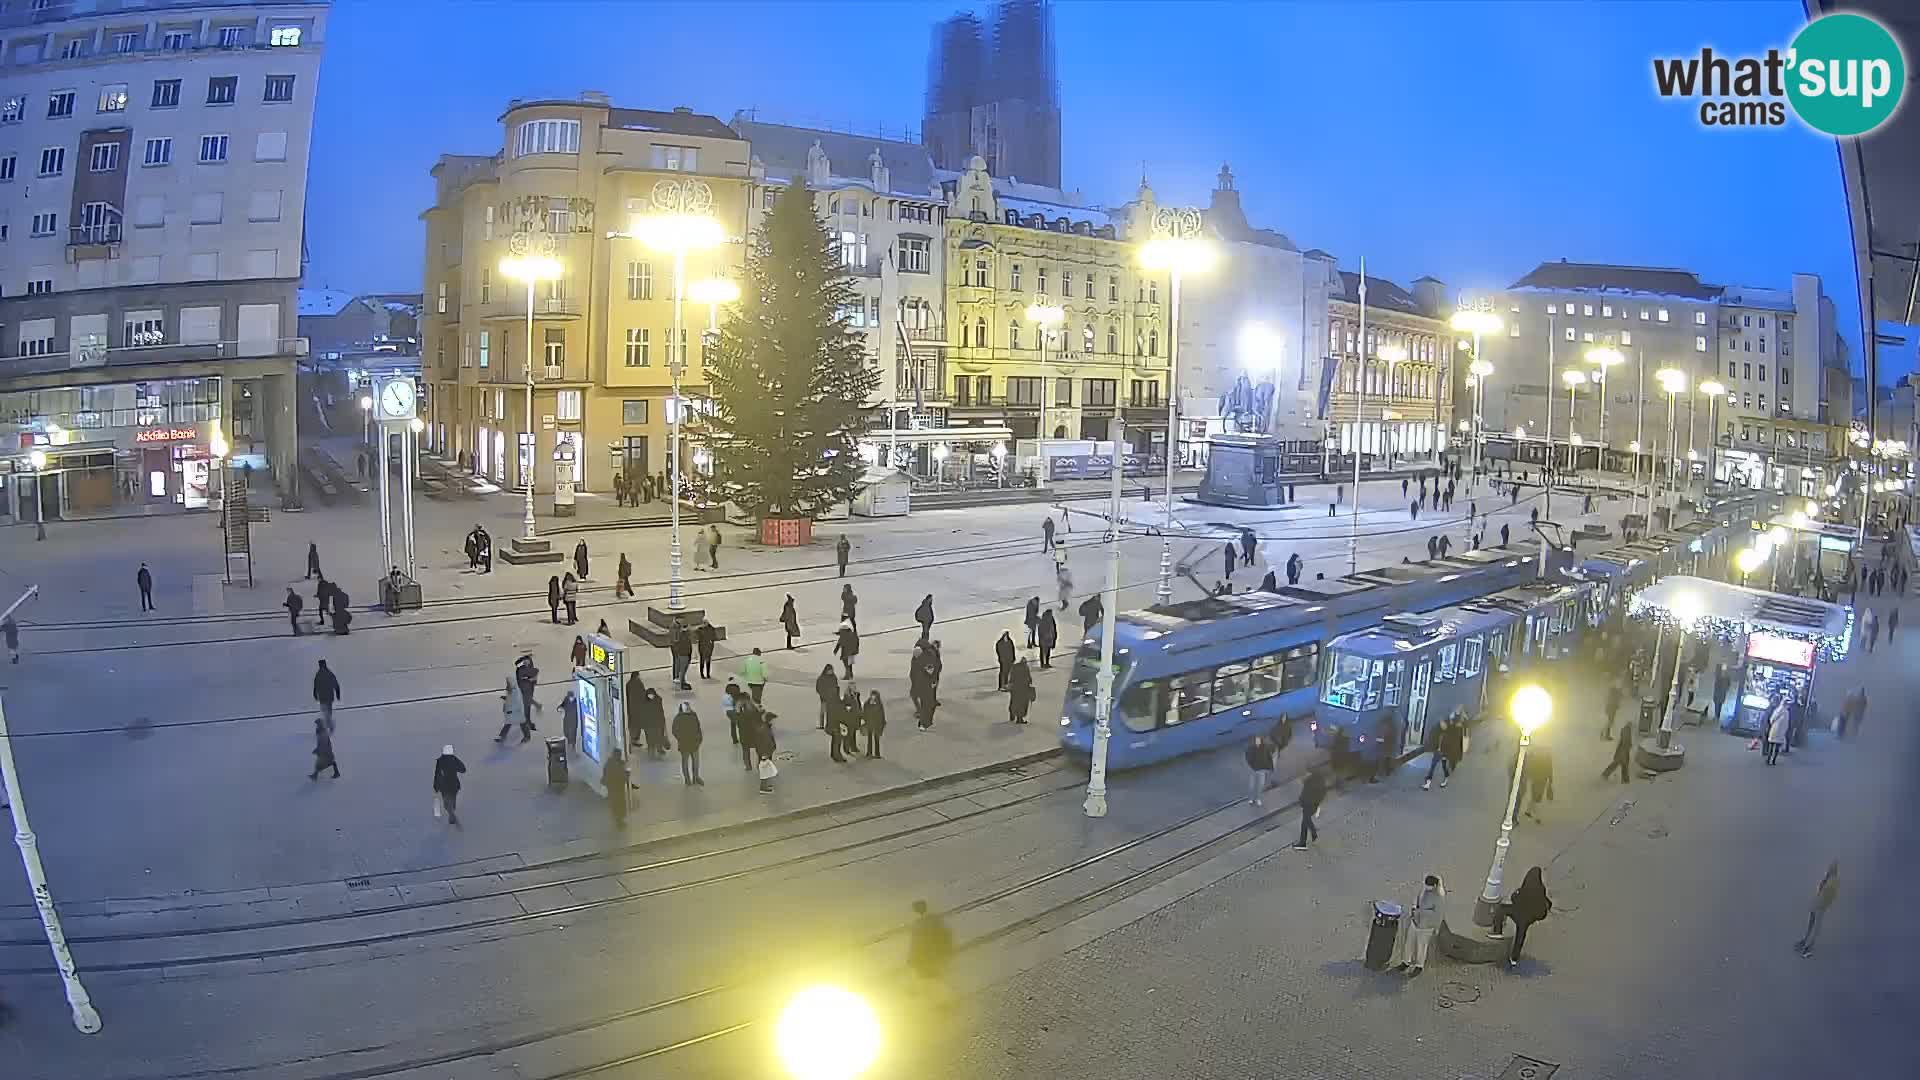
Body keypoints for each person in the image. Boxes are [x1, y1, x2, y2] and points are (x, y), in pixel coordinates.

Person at [1496, 866, 1552, 968]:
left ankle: (1497, 931)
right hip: (1527, 919)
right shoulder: (1541, 889)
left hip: (1517, 913)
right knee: (1520, 936)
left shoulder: (1525, 888)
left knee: (1501, 909)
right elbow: (1545, 900)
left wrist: (1516, 893)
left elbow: (1514, 899)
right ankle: (1514, 958)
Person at [1394, 875, 1444, 976]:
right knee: (1409, 942)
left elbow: (1437, 914)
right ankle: (1405, 962)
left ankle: (1419, 966)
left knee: (1421, 946)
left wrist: (1421, 911)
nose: (1426, 887)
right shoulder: (1423, 891)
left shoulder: (1438, 897)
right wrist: (1414, 909)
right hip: (1415, 921)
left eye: (1428, 885)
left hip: (1426, 926)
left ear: (1434, 885)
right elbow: (1416, 900)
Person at [906, 899, 953, 990]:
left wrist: (912, 957)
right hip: (932, 955)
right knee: (934, 978)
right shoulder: (930, 920)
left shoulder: (920, 923)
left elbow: (916, 942)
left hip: (928, 956)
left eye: (916, 908)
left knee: (931, 979)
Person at [1796, 861, 1839, 956]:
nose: (1829, 870)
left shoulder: (1834, 881)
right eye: (1830, 868)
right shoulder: (1828, 879)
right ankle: (1805, 941)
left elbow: (1831, 895)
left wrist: (1824, 903)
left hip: (1821, 904)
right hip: (1817, 902)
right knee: (1812, 921)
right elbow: (1820, 888)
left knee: (1816, 925)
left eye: (1831, 869)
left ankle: (1810, 946)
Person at [432, 745, 466, 827]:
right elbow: (463, 769)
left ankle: (451, 814)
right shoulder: (454, 759)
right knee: (451, 802)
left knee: (447, 803)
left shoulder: (440, 761)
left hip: (444, 785)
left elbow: (437, 774)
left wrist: (436, 786)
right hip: (454, 785)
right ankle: (452, 814)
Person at [672, 702, 704, 786]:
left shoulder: (693, 716)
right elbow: (674, 731)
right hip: (687, 743)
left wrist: (699, 738)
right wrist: (681, 738)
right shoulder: (679, 718)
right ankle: (688, 779)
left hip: (692, 742)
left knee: (694, 761)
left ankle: (695, 778)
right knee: (688, 761)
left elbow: (698, 727)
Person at [1294, 768, 1326, 849]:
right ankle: (1314, 834)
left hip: (1309, 805)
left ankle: (1302, 843)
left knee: (1304, 823)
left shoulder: (1310, 783)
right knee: (1307, 820)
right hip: (1312, 805)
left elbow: (1306, 794)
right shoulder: (1318, 781)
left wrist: (1302, 801)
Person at [1520, 744, 1554, 821]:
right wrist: (1550, 780)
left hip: (1538, 780)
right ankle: (1537, 817)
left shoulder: (1539, 757)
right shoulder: (1544, 758)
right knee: (1537, 798)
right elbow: (1549, 769)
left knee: (1535, 797)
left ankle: (1529, 812)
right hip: (1539, 780)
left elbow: (1548, 769)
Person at [1245, 734, 1275, 806]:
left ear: (1261, 741)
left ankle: (1258, 798)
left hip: (1262, 770)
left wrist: (1271, 768)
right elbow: (1248, 757)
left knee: (1260, 785)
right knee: (1251, 786)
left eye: (1259, 741)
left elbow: (1269, 758)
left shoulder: (1265, 748)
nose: (1258, 742)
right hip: (1253, 770)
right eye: (1256, 741)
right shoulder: (1251, 748)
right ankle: (1251, 799)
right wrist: (1252, 766)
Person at [602, 750, 630, 828]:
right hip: (618, 788)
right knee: (619, 804)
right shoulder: (617, 766)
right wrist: (627, 774)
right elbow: (622, 777)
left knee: (614, 803)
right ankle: (619, 822)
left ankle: (617, 819)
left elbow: (605, 773)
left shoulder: (609, 763)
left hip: (611, 787)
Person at [313, 659, 341, 731]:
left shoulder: (320, 674)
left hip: (324, 697)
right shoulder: (327, 673)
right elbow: (335, 684)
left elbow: (315, 685)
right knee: (327, 712)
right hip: (327, 697)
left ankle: (328, 725)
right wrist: (337, 693)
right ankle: (328, 725)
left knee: (325, 712)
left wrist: (315, 694)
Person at [640, 686, 668, 759]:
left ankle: (658, 748)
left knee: (658, 736)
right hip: (649, 724)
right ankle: (652, 749)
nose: (650, 696)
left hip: (657, 722)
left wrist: (663, 721)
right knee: (650, 737)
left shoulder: (658, 700)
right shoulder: (644, 702)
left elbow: (661, 712)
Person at [1007, 657, 1034, 724]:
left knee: (1014, 701)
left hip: (1015, 688)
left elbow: (1011, 678)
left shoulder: (1014, 667)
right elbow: (1028, 678)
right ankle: (1019, 718)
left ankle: (1012, 714)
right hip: (1023, 688)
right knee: (1022, 703)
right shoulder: (1025, 667)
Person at [1764, 696, 1791, 766]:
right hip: (1779, 731)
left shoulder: (1779, 709)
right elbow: (1787, 723)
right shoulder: (1786, 712)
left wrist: (1771, 723)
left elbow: (1772, 718)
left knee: (1772, 745)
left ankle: (1769, 760)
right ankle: (1772, 761)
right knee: (1776, 746)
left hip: (1775, 729)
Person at [815, 665, 841, 731]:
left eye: (831, 670)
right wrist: (823, 694)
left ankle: (829, 725)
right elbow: (818, 688)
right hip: (824, 698)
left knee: (831, 712)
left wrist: (836, 694)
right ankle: (821, 725)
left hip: (832, 698)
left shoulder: (834, 677)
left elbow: (836, 686)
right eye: (830, 670)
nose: (831, 671)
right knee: (823, 711)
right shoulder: (821, 678)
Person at [669, 622, 693, 690]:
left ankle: (682, 682)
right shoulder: (683, 635)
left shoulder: (684, 635)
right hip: (684, 654)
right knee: (682, 669)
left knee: (683, 669)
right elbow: (684, 645)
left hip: (685, 654)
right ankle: (682, 684)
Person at [863, 690, 886, 757]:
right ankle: (869, 752)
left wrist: (883, 722)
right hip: (869, 723)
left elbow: (882, 714)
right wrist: (865, 720)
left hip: (877, 724)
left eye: (874, 695)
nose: (873, 697)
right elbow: (865, 712)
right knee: (869, 739)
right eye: (872, 695)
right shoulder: (867, 703)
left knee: (876, 739)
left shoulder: (879, 704)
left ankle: (877, 753)